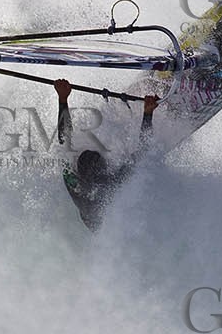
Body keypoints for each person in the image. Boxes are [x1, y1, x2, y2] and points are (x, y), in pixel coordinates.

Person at [54, 78, 157, 231]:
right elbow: (143, 153)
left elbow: (65, 139)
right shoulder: (113, 183)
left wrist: (63, 99)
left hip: (91, 211)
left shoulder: (72, 181)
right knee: (136, 165)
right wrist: (148, 114)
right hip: (103, 224)